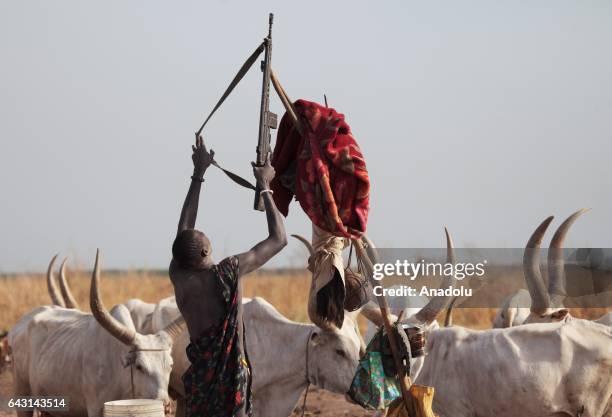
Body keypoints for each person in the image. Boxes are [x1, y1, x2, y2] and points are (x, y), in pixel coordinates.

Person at [169, 135, 287, 417]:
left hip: (200, 379)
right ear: (205, 251)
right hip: (230, 379)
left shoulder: (179, 274)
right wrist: (266, 187)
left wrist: (198, 174)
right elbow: (279, 238)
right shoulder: (226, 272)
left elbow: (184, 227)